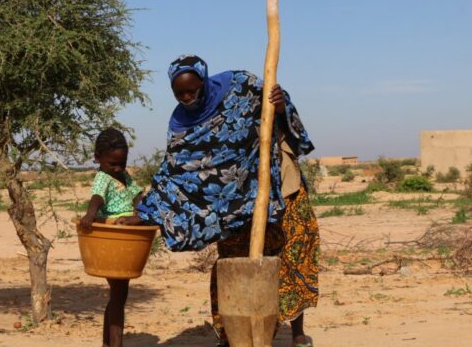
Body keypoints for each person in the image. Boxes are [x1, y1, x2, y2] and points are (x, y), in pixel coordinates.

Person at [134, 55, 320, 347]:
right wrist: (148, 210)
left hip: (281, 187)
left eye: (192, 91)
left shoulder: (242, 86)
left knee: (292, 254)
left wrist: (281, 106)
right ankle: (233, 334)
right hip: (233, 206)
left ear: (204, 82)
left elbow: (284, 118)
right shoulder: (181, 122)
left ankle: (297, 333)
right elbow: (177, 173)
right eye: (179, 93)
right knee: (234, 265)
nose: (186, 98)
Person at [79, 127, 143, 347]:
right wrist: (91, 214)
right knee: (118, 294)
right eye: (113, 164)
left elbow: (137, 195)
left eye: (122, 163)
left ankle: (109, 344)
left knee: (118, 294)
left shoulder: (124, 175)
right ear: (98, 158)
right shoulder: (103, 176)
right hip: (114, 237)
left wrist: (143, 213)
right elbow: (97, 197)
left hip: (127, 234)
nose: (118, 168)